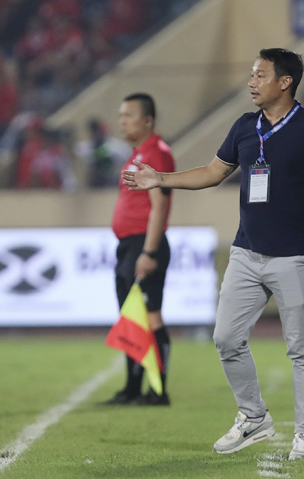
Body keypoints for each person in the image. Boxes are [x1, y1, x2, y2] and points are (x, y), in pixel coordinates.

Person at [122, 49, 304, 458]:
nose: (251, 82)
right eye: (251, 75)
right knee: (226, 338)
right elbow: (213, 173)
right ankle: (253, 418)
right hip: (246, 254)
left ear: (285, 82)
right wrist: (159, 179)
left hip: (295, 257)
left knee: (302, 347)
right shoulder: (244, 127)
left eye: (260, 75)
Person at [104, 93, 175, 406]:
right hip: (129, 245)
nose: (122, 121)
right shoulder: (138, 155)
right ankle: (133, 388)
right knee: (132, 318)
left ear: (148, 120)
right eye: (120, 115)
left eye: (129, 115)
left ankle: (157, 391)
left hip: (144, 244)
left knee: (151, 316)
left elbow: (160, 205)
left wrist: (148, 252)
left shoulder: (156, 153)